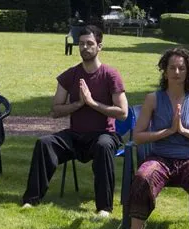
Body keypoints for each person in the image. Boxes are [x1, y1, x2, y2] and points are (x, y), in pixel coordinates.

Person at [22, 25, 128, 218]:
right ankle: (31, 199)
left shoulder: (110, 75)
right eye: (81, 44)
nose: (85, 48)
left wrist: (92, 103)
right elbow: (55, 111)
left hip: (104, 135)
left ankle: (104, 208)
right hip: (75, 135)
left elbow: (123, 112)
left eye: (90, 44)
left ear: (99, 47)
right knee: (45, 143)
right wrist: (79, 103)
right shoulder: (70, 75)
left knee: (104, 146)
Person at [126, 48, 189, 229]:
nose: (177, 72)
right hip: (160, 158)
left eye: (182, 68)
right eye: (172, 68)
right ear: (165, 71)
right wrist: (167, 131)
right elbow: (138, 136)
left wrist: (184, 131)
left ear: (188, 72)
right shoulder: (153, 99)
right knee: (143, 176)